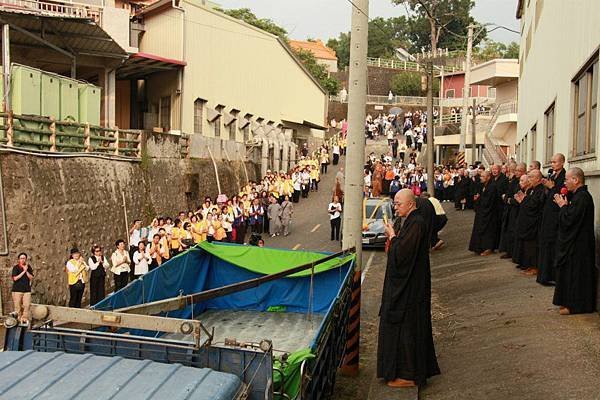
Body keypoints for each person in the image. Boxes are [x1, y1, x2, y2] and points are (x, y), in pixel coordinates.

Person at [377, 189, 440, 388]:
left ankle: (409, 374)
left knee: (407, 330)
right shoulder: (411, 221)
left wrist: (393, 236)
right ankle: (402, 371)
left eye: (398, 204)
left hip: (411, 289)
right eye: (394, 204)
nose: (395, 208)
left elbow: (403, 255)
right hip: (408, 286)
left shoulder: (417, 223)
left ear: (411, 204)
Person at [552, 167, 597, 315]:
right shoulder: (577, 196)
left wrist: (563, 206)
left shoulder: (583, 197)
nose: (564, 183)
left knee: (577, 275)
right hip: (575, 243)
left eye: (566, 180)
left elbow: (570, 221)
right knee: (570, 273)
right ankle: (570, 303)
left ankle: (577, 306)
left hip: (579, 245)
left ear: (575, 180)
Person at [537, 153, 566, 285]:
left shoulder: (564, 177)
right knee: (545, 244)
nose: (553, 164)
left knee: (552, 244)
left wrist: (551, 187)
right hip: (547, 214)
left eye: (555, 162)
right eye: (552, 162)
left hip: (556, 215)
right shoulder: (552, 176)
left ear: (562, 163)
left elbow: (560, 195)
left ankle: (553, 276)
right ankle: (544, 275)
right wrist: (546, 188)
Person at [512, 170, 545, 274]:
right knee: (527, 246)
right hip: (527, 222)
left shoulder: (540, 190)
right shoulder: (532, 189)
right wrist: (524, 200)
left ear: (538, 179)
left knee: (533, 246)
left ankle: (535, 267)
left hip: (534, 223)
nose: (529, 180)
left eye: (531, 178)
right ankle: (530, 265)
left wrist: (524, 200)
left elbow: (535, 205)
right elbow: (528, 202)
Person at [468, 170, 499, 256]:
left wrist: (479, 198)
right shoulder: (483, 186)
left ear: (488, 177)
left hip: (489, 213)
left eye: (483, 177)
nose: (480, 178)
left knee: (488, 230)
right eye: (480, 176)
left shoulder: (492, 187)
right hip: (482, 212)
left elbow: (489, 201)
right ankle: (478, 247)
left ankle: (488, 247)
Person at [499, 162, 525, 259]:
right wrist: (507, 199)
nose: (516, 173)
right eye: (515, 171)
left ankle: (514, 252)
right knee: (509, 230)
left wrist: (510, 200)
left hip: (517, 209)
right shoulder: (514, 180)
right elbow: (509, 193)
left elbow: (518, 197)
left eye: (518, 171)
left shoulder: (523, 182)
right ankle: (509, 251)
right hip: (510, 209)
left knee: (514, 230)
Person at [11, 252, 34, 324]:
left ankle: (24, 320)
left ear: (26, 259)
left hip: (27, 290)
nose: (23, 260)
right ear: (19, 260)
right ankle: (18, 321)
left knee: (27, 305)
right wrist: (23, 271)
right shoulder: (16, 268)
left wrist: (26, 270)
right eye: (21, 258)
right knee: (18, 307)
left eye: (24, 258)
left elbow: (31, 277)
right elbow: (15, 278)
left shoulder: (28, 267)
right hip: (17, 290)